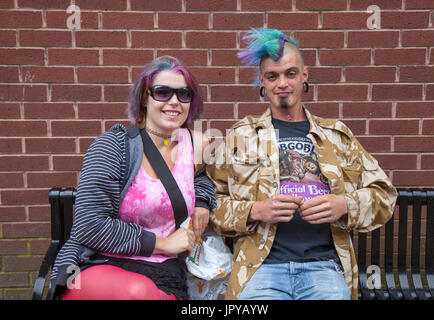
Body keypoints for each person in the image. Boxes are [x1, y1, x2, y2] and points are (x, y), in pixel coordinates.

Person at [206, 28, 397, 300]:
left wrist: (344, 205)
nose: (282, 83)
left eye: (290, 74)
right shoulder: (241, 136)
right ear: (262, 81)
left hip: (324, 267)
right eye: (272, 76)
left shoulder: (336, 136)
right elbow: (211, 202)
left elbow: (384, 195)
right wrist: (255, 211)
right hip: (259, 268)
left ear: (304, 76)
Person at [50, 56, 216, 300]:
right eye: (162, 92)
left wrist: (202, 202)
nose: (174, 102)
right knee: (139, 293)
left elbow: (203, 178)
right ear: (144, 98)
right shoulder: (113, 146)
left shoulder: (194, 145)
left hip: (164, 274)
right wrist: (162, 243)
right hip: (101, 264)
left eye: (184, 94)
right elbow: (89, 226)